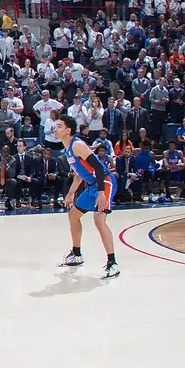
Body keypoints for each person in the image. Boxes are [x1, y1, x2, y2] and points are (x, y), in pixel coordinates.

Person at [54, 114, 119, 278]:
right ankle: (76, 254)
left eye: (60, 126)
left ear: (68, 130)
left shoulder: (77, 145)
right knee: (73, 215)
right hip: (92, 185)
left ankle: (113, 263)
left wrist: (101, 193)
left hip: (104, 182)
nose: (56, 128)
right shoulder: (68, 149)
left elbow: (98, 167)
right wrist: (71, 193)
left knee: (99, 220)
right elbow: (79, 174)